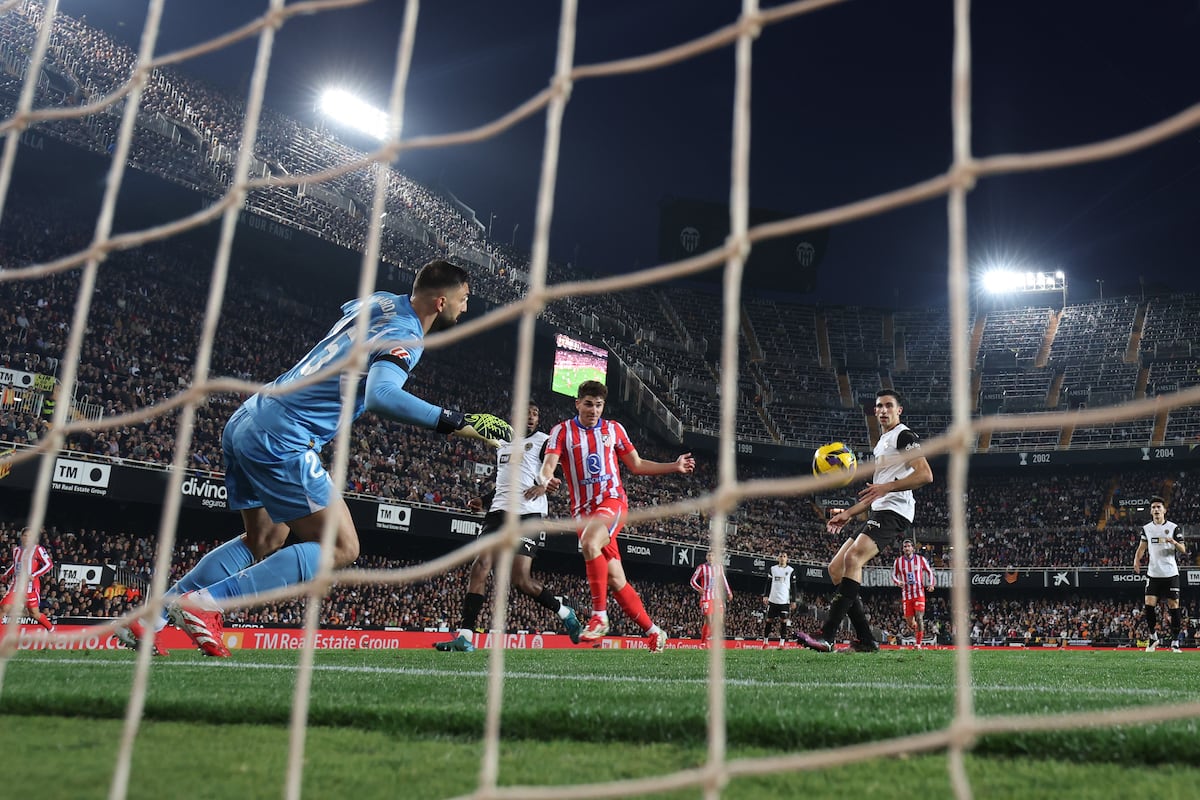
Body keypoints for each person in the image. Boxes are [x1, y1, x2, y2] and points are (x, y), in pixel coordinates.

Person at [119, 259, 509, 657]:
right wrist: (458, 422)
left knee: (265, 537)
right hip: (282, 435)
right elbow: (382, 396)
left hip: (250, 417)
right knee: (342, 546)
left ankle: (152, 618)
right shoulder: (406, 335)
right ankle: (207, 604)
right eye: (463, 299)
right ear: (441, 301)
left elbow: (349, 318)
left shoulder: (381, 301)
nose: (465, 307)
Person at [526, 380, 694, 653]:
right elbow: (547, 467)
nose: (594, 410)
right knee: (616, 580)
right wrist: (546, 480)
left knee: (590, 543)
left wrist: (674, 466)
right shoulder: (561, 431)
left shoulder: (614, 429)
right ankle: (654, 631)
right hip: (583, 513)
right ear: (577, 404)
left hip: (612, 501)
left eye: (599, 405)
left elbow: (636, 465)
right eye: (588, 404)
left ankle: (599, 617)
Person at [435, 402, 583, 652]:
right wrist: (483, 500)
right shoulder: (503, 443)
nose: (531, 417)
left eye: (535, 414)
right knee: (480, 566)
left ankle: (564, 611)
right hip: (497, 513)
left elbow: (558, 468)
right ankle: (465, 636)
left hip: (528, 515)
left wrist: (545, 485)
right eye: (527, 413)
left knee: (520, 580)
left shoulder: (543, 441)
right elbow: (506, 483)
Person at [798, 389, 933, 654]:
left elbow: (925, 475)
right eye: (879, 406)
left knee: (853, 558)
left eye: (889, 405)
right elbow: (876, 492)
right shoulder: (882, 443)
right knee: (835, 568)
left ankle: (827, 635)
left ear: (899, 410)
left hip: (895, 511)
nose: (883, 410)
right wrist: (849, 513)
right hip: (879, 510)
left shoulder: (904, 436)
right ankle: (867, 640)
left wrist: (887, 487)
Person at [1134, 496, 1187, 653]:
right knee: (1149, 605)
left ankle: (1175, 642)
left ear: (1164, 510)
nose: (1156, 509)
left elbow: (1183, 549)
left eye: (1159, 507)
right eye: (1153, 507)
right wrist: (1136, 560)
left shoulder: (1173, 528)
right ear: (1151, 511)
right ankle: (1153, 637)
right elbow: (1142, 547)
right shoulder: (1147, 529)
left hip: (1170, 574)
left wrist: (1174, 543)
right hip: (1153, 574)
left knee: (1174, 606)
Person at [1, 532, 55, 632]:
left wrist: (34, 575)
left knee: (34, 613)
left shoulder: (38, 549)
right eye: (25, 535)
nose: (27, 538)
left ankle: (51, 629)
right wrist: (6, 574)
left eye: (30, 536)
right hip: (16, 586)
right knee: (3, 608)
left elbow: (49, 564)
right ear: (21, 537)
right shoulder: (16, 550)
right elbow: (16, 565)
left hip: (31, 587)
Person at [892, 538, 935, 648]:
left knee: (919, 618)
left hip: (919, 593)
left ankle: (918, 643)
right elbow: (893, 575)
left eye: (908, 546)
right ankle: (919, 630)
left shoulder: (920, 559)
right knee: (910, 623)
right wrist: (898, 582)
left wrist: (931, 584)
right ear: (903, 549)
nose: (907, 548)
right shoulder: (898, 561)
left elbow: (929, 571)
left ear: (913, 548)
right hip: (906, 595)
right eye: (905, 547)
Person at [689, 550, 732, 644]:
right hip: (706, 597)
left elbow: (724, 580)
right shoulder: (701, 568)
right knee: (709, 620)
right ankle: (704, 641)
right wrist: (699, 588)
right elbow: (692, 581)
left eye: (712, 555)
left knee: (720, 621)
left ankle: (708, 638)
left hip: (717, 597)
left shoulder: (719, 567)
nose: (710, 557)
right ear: (706, 557)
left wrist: (729, 592)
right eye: (709, 555)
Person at [761, 551, 795, 644]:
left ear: (787, 559)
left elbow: (793, 587)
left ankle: (782, 643)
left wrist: (793, 600)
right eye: (781, 556)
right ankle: (765, 642)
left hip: (784, 601)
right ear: (778, 558)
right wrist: (766, 595)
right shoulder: (773, 569)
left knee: (783, 621)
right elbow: (768, 583)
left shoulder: (790, 570)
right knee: (769, 620)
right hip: (773, 599)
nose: (782, 558)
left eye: (784, 556)